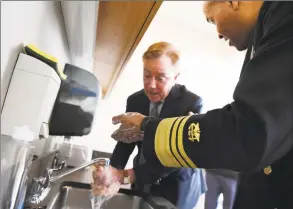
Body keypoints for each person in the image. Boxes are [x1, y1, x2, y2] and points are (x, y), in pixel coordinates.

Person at [108, 1, 293, 209]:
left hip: (177, 188)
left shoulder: (285, 12)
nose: (218, 34)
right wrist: (112, 171)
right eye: (146, 75)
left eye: (212, 20)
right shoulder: (263, 36)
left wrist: (144, 128)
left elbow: (247, 132)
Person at [94, 42, 207, 209]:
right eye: (146, 76)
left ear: (175, 77)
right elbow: (126, 141)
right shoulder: (135, 100)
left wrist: (125, 176)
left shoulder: (191, 103)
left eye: (160, 78)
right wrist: (112, 172)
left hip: (176, 184)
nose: (151, 85)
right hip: (141, 179)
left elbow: (176, 157)